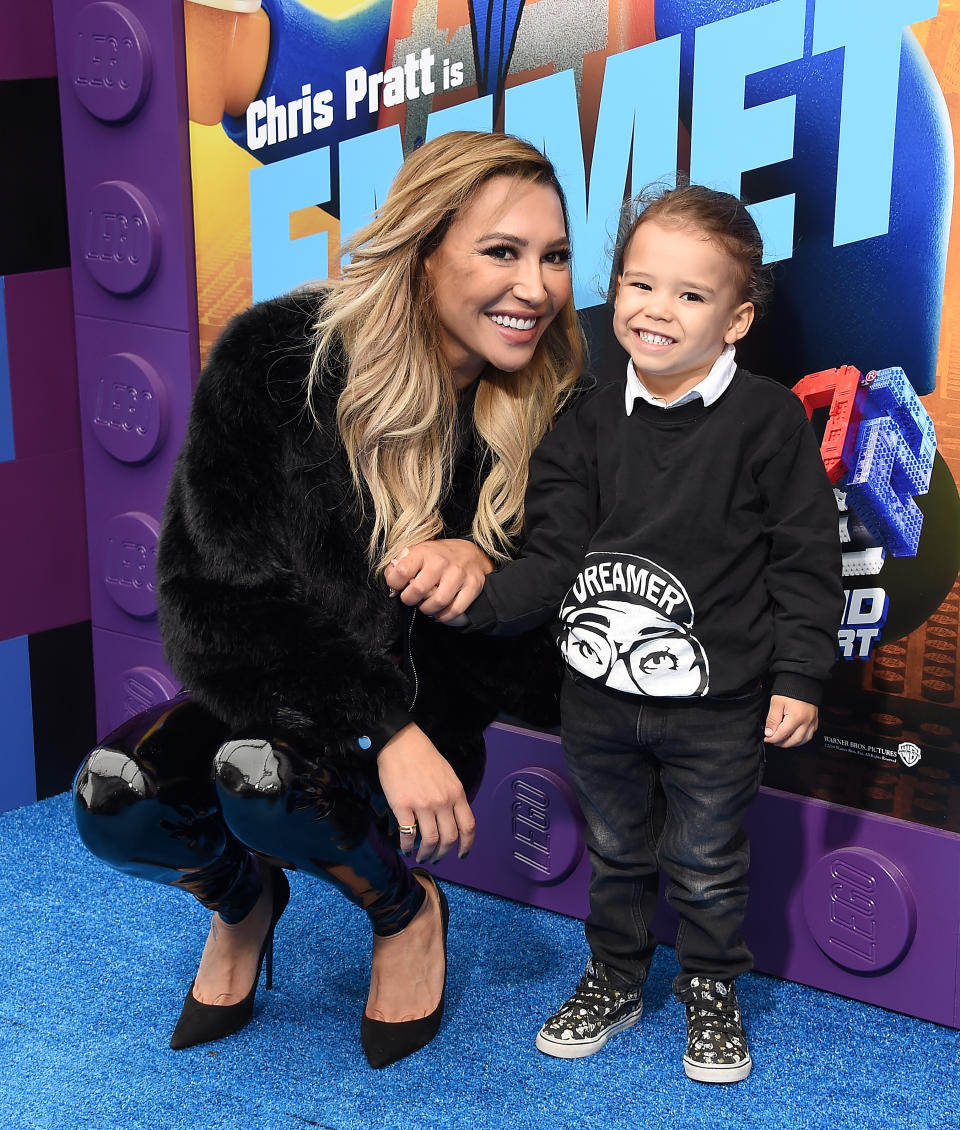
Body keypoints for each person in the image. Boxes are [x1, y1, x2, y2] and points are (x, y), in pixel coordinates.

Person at [72, 130, 585, 1069]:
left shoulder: (561, 411)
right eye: (502, 252)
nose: (537, 287)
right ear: (424, 253)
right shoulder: (278, 358)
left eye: (554, 256)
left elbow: (572, 637)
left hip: (431, 736)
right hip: (301, 705)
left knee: (266, 777)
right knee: (119, 795)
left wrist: (487, 572)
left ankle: (405, 911)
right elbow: (208, 599)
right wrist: (386, 728)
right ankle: (244, 902)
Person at [387, 184, 843, 1082]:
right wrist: (470, 601)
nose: (656, 310)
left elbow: (805, 562)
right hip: (596, 705)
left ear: (737, 318)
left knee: (708, 861)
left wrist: (799, 677)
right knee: (619, 854)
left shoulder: (768, 421)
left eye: (690, 294)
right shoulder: (584, 420)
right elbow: (554, 560)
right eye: (640, 284)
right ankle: (615, 977)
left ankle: (710, 987)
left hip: (718, 708)